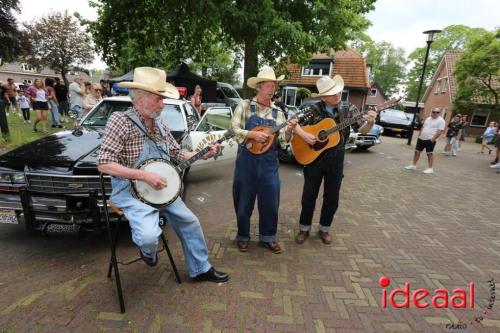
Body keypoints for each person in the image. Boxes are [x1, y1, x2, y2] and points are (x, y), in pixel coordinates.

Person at [97, 67, 228, 283]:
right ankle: (148, 253)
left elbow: (177, 154)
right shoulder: (119, 121)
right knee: (149, 238)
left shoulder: (160, 124)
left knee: (190, 221)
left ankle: (201, 268)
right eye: (158, 99)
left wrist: (202, 154)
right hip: (131, 192)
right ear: (140, 99)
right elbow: (104, 164)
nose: (163, 104)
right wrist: (142, 175)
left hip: (163, 189)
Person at [292, 76, 376, 245]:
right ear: (323, 97)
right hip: (314, 159)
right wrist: (304, 135)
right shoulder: (313, 109)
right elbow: (293, 123)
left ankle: (324, 228)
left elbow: (362, 128)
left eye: (337, 91)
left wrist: (371, 121)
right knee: (309, 196)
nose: (337, 95)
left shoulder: (348, 108)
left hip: (337, 158)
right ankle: (304, 228)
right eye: (332, 93)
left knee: (332, 197)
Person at [231, 67, 297, 254]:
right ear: (258, 87)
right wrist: (251, 134)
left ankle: (268, 237)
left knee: (271, 202)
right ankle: (243, 235)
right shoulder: (244, 106)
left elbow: (284, 141)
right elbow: (233, 129)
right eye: (268, 85)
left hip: (269, 164)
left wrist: (290, 129)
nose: (271, 89)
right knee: (243, 201)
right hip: (247, 162)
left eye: (273, 86)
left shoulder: (279, 113)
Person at [405, 107, 446, 174]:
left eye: (437, 112)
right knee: (416, 152)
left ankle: (430, 168)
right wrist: (419, 135)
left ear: (439, 113)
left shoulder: (441, 121)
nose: (435, 113)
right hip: (421, 138)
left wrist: (432, 140)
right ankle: (413, 165)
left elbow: (439, 131)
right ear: (431, 111)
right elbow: (423, 127)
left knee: (429, 154)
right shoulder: (428, 118)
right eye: (434, 112)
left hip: (430, 140)